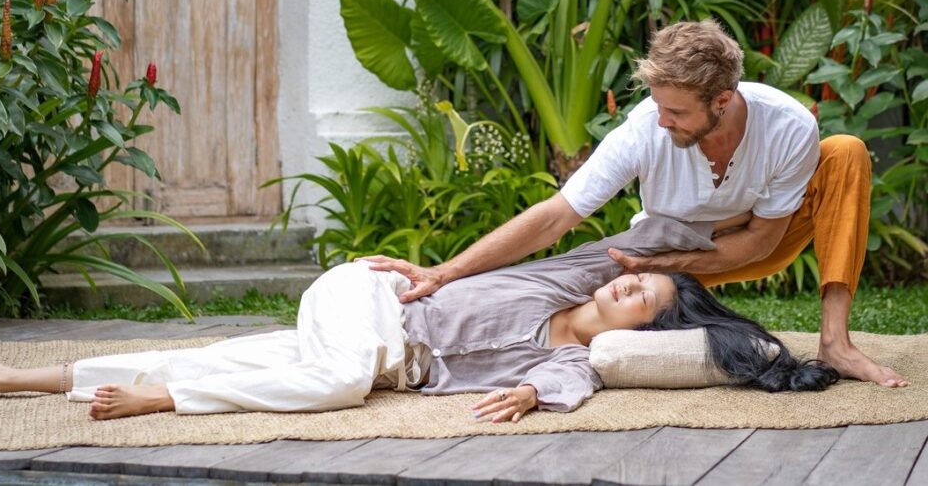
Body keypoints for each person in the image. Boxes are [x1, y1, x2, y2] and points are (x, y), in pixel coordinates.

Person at [363, 19, 907, 388]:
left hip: (754, 239)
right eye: (658, 106)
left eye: (676, 111)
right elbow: (559, 215)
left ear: (721, 101)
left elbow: (762, 242)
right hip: (653, 248)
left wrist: (667, 267)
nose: (662, 119)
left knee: (845, 152)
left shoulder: (787, 125)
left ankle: (836, 341)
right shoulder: (644, 128)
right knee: (558, 289)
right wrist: (447, 271)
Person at [0, 217, 836, 422]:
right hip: (364, 300)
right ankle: (166, 404)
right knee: (334, 380)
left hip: (370, 343)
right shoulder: (575, 271)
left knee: (234, 352)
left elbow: (565, 381)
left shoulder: (579, 362)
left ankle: (22, 378)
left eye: (640, 305)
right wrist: (433, 270)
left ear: (636, 335)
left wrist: (525, 393)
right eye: (634, 284)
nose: (624, 292)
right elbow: (639, 230)